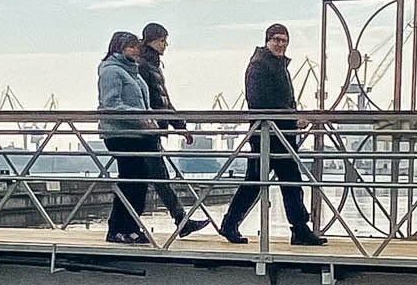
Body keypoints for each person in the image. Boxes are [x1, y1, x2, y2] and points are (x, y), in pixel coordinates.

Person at [217, 23, 325, 246]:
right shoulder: (259, 66)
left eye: (284, 40)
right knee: (269, 182)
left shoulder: (277, 65)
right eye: (276, 39)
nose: (280, 44)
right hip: (268, 135)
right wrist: (293, 119)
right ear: (267, 41)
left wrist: (292, 119)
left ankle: (298, 229)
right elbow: (261, 102)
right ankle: (297, 229)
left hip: (279, 134)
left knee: (282, 181)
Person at [130, 22, 208, 239]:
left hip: (152, 129)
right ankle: (179, 221)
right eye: (162, 40)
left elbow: (163, 100)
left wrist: (179, 125)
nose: (165, 45)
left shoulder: (151, 65)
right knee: (155, 178)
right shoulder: (145, 66)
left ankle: (130, 226)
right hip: (148, 131)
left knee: (146, 180)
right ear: (151, 41)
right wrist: (176, 125)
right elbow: (152, 101)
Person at [96, 30, 164, 243]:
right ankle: (117, 229)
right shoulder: (111, 71)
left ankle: (132, 227)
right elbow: (111, 105)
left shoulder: (132, 71)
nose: (136, 50)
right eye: (131, 46)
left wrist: (151, 118)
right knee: (130, 181)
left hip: (138, 134)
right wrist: (141, 118)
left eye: (137, 46)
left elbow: (142, 103)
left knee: (139, 181)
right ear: (118, 47)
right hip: (120, 134)